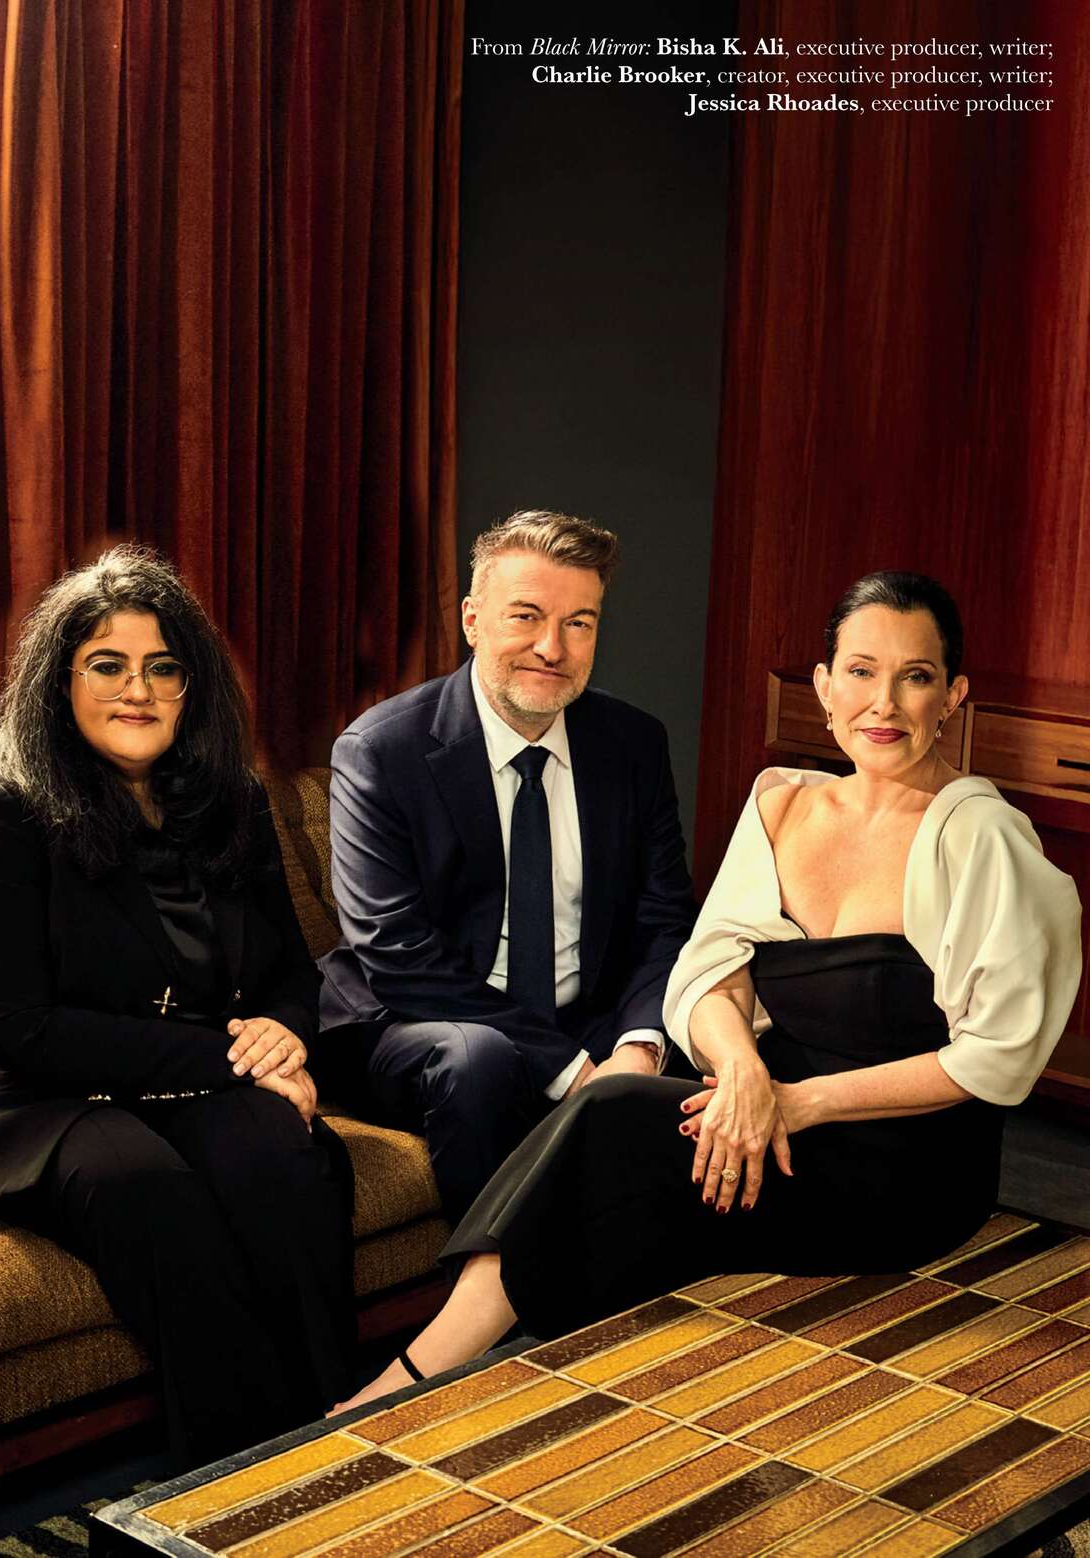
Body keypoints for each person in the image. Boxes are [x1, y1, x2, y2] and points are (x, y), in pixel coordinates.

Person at [333, 570, 1083, 1412]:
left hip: (905, 1161)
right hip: (769, 1110)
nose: (884, 703)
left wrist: (796, 1104)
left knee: (615, 1119)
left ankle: (408, 1384)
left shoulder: (985, 838)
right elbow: (706, 972)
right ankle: (519, 1376)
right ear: (824, 688)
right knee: (628, 1159)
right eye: (861, 672)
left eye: (915, 677)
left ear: (953, 696)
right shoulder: (781, 804)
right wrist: (744, 1075)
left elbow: (995, 1060)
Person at [0, 546, 355, 1468]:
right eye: (107, 665)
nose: (137, 690)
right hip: (23, 1090)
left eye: (162, 667)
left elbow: (288, 970)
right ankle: (235, 1480)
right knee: (145, 1187)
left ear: (192, 686)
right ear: (61, 682)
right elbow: (12, 1022)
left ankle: (340, 1430)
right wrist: (238, 1063)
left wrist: (284, 1035)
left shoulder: (233, 799)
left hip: (185, 1071)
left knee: (279, 1156)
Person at [315, 510, 699, 1226]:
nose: (553, 647)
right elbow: (398, 954)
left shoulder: (633, 745)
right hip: (414, 1021)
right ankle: (499, 1285)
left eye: (579, 623)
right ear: (472, 619)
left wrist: (638, 1049)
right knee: (480, 1058)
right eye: (526, 616)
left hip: (583, 1017)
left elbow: (664, 919)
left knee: (725, 1034)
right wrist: (573, 1072)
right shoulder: (381, 752)